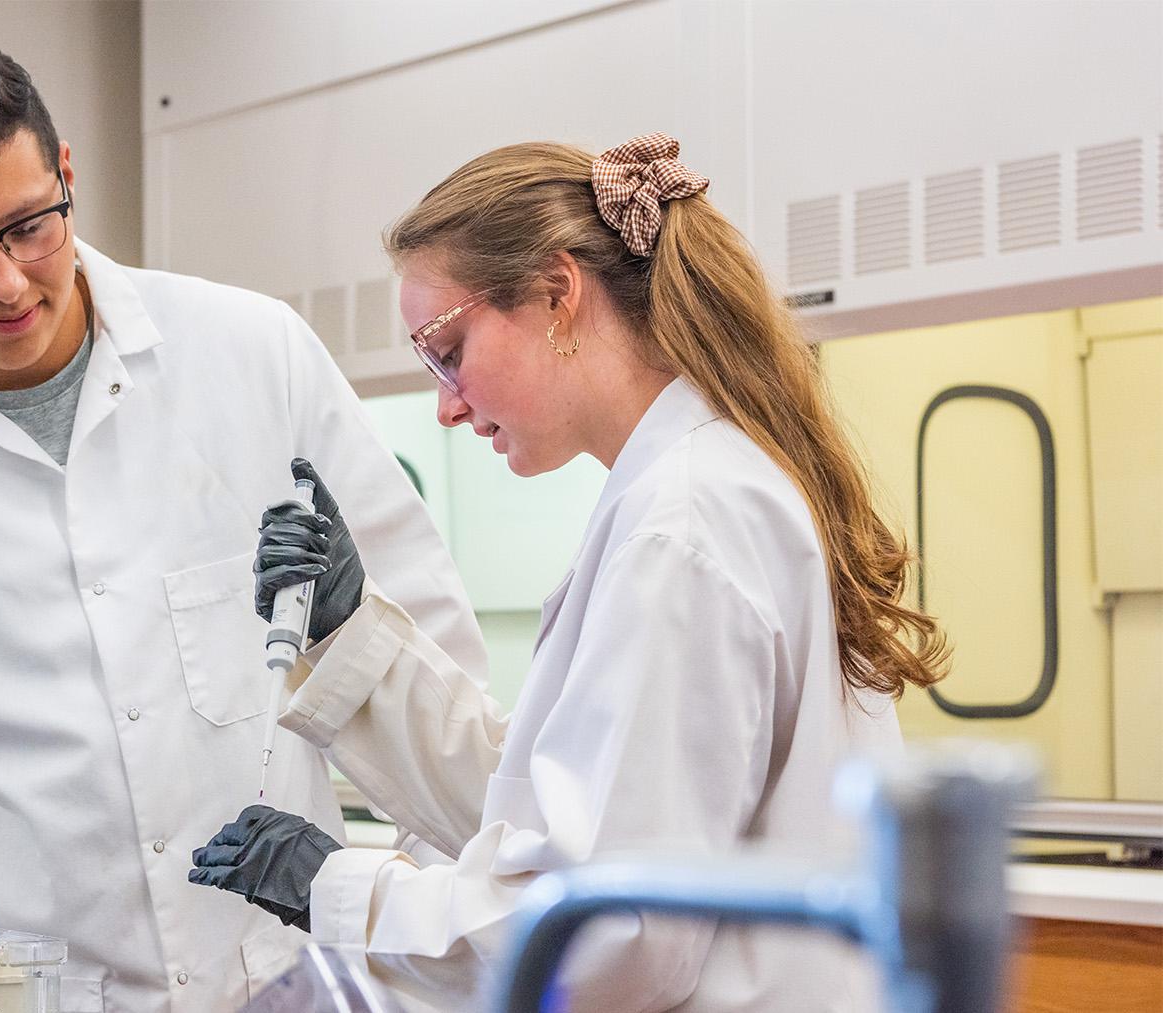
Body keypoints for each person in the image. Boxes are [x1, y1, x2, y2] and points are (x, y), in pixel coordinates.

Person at [0, 41, 487, 1012]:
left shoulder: (253, 354)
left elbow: (432, 648)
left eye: (29, 227)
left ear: (66, 177)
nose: (4, 282)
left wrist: (411, 947)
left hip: (287, 983)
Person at [189, 134, 950, 1011]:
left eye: (448, 350)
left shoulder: (683, 523)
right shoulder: (685, 489)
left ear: (557, 292)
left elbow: (611, 931)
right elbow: (550, 809)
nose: (446, 404)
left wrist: (337, 886)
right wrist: (352, 629)